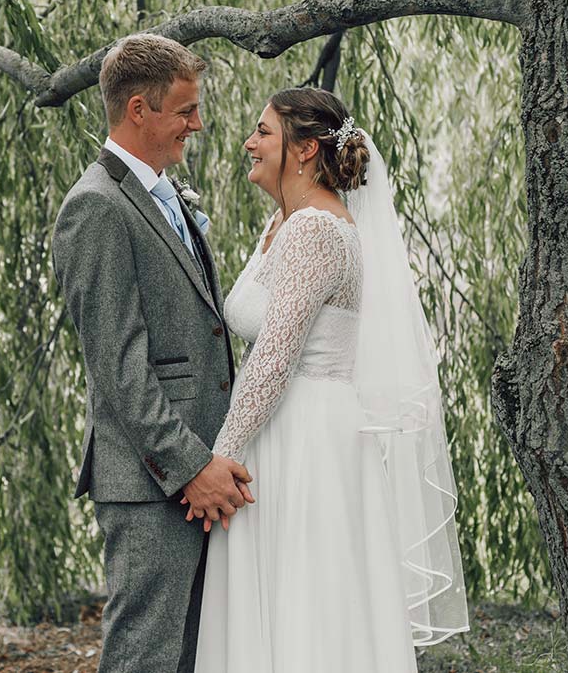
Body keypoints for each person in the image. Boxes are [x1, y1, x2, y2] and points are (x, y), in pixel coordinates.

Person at [191, 87, 470, 672]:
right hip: (277, 427)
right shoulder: (284, 222)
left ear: (305, 149)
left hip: (307, 437)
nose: (249, 142)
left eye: (263, 132)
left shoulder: (316, 230)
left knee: (310, 604)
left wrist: (221, 457)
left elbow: (275, 356)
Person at [52, 33, 253, 673]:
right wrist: (191, 465)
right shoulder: (95, 207)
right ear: (139, 110)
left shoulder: (164, 192)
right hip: (151, 481)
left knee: (194, 657)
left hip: (195, 472)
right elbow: (121, 368)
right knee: (146, 657)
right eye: (185, 110)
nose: (198, 124)